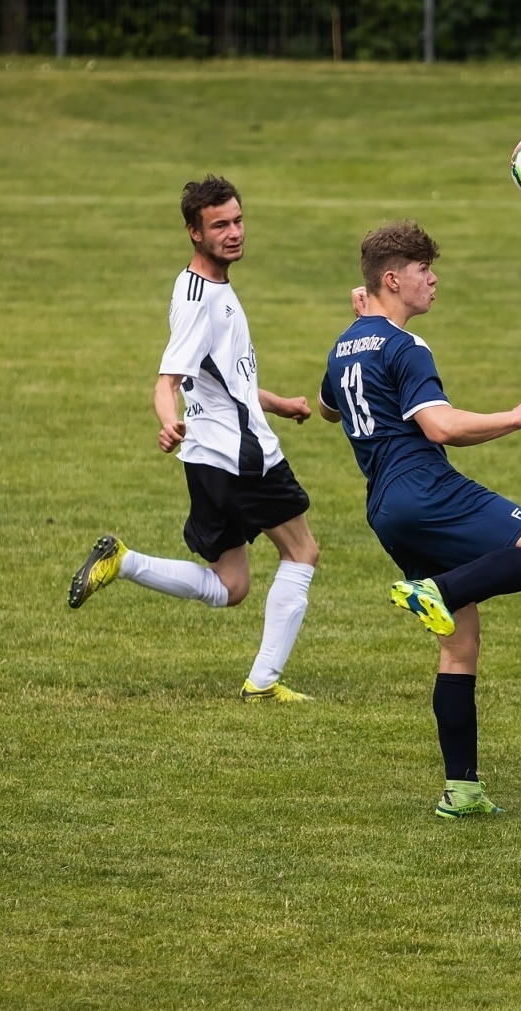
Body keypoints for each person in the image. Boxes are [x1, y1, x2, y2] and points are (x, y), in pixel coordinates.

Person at [318, 220, 521, 819]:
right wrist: (516, 416)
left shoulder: (343, 344)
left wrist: (360, 322)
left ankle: (462, 790)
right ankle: (438, 590)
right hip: (426, 489)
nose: (432, 280)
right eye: (422, 270)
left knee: (459, 647)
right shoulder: (406, 346)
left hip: (385, 508)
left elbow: (330, 409)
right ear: (391, 280)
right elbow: (441, 427)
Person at [68, 175, 320, 704]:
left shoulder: (199, 287)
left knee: (231, 585)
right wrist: (167, 420)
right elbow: (167, 382)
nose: (234, 232)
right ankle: (263, 684)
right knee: (302, 552)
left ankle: (123, 561)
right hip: (242, 456)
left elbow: (221, 378)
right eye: (219, 225)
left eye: (238, 220)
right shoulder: (199, 301)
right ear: (194, 232)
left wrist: (278, 402)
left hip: (206, 458)